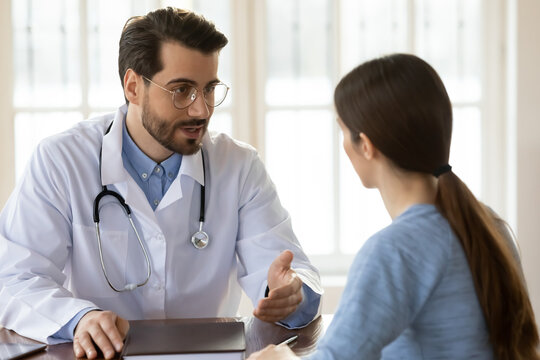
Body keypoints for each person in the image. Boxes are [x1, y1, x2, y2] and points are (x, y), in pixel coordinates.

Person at [0, 7, 322, 360]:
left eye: (209, 89)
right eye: (182, 90)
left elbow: (284, 271)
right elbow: (13, 279)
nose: (201, 110)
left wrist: (293, 293)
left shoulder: (239, 166)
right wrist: (78, 318)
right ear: (133, 86)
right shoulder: (61, 161)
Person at [248, 54, 539, 359]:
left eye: (344, 131)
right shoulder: (490, 226)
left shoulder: (393, 251)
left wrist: (279, 357)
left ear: (366, 145)